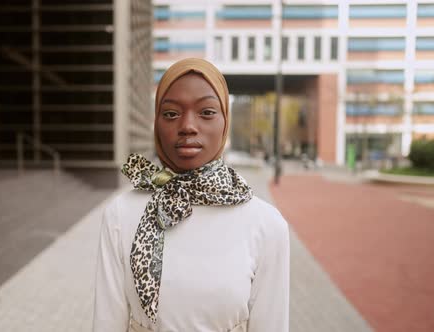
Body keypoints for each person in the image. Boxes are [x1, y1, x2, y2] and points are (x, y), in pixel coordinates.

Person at [92, 58, 290, 332]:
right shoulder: (120, 214)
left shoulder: (267, 224)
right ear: (156, 123)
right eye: (171, 113)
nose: (187, 125)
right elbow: (106, 323)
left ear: (225, 122)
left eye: (206, 112)